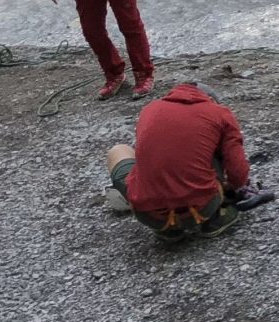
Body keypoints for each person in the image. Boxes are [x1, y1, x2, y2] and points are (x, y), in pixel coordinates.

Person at [105, 82, 258, 241]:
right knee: (208, 151)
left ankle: (168, 230)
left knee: (118, 151)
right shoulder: (219, 113)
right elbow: (237, 172)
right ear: (210, 99)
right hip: (201, 209)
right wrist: (234, 189)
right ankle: (217, 217)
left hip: (150, 214)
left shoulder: (150, 109)